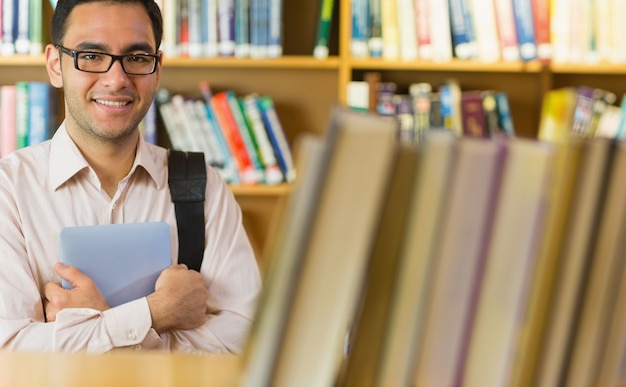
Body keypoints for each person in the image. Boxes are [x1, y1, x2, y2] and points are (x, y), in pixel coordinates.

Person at [0, 0, 262, 353]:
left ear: (157, 68)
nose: (117, 79)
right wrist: (156, 313)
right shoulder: (9, 191)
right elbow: (10, 351)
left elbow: (245, 343)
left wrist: (100, 326)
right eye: (92, 56)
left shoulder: (203, 188)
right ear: (54, 65)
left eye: (137, 58)